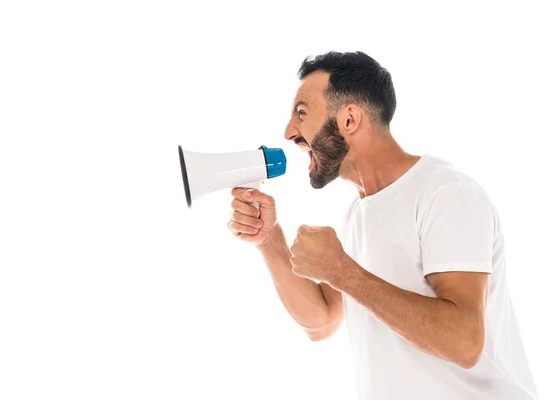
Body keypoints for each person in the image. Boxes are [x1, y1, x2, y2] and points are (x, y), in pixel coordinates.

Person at [227, 51, 538, 400]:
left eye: (302, 112)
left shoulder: (446, 193)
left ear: (349, 119)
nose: (289, 132)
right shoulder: (358, 214)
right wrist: (269, 238)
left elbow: (465, 342)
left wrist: (342, 271)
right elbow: (323, 319)